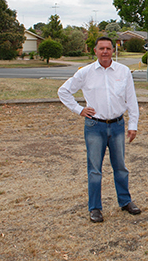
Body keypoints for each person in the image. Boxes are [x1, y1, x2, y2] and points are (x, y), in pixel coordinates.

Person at [58, 36, 141, 223]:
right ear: (95, 51)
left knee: (120, 167)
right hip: (95, 126)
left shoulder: (124, 71)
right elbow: (63, 91)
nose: (105, 51)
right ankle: (95, 208)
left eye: (108, 48)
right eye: (101, 48)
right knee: (95, 169)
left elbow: (131, 100)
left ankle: (125, 201)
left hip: (118, 126)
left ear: (114, 50)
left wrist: (133, 125)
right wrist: (79, 110)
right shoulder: (85, 72)